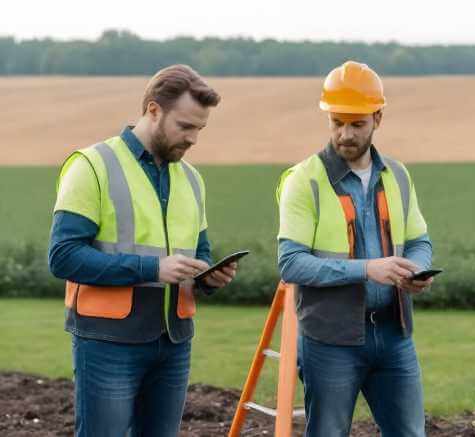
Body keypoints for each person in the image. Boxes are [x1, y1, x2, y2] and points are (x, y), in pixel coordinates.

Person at [48, 64, 238, 437]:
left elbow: (200, 250)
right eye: (185, 126)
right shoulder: (92, 166)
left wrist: (209, 276)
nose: (194, 138)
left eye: (200, 128)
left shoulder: (192, 179)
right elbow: (63, 256)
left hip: (174, 342)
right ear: (153, 110)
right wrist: (152, 269)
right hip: (108, 342)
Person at [276, 60, 434, 436]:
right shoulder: (305, 180)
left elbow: (419, 241)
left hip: (394, 335)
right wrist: (368, 269)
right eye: (337, 123)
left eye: (357, 124)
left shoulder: (397, 174)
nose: (345, 134)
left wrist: (415, 268)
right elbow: (291, 264)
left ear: (377, 118)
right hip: (330, 342)